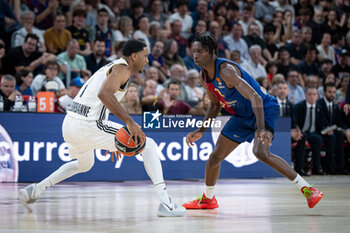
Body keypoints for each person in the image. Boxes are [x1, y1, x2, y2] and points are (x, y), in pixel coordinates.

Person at [19, 39, 186, 217]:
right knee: (148, 144)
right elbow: (104, 94)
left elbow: (101, 99)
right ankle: (166, 203)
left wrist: (113, 140)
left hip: (71, 123)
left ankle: (34, 190)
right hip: (89, 124)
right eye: (145, 56)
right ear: (134, 56)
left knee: (84, 164)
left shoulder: (113, 66)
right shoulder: (122, 69)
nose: (147, 60)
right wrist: (129, 122)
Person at [182, 34, 323, 210]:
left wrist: (261, 128)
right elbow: (215, 104)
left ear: (210, 51)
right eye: (194, 51)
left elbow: (255, 97)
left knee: (260, 152)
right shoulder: (204, 76)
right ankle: (208, 199)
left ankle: (308, 189)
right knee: (214, 157)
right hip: (241, 116)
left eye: (200, 51)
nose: (195, 55)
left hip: (264, 108)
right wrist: (201, 130)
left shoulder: (226, 71)